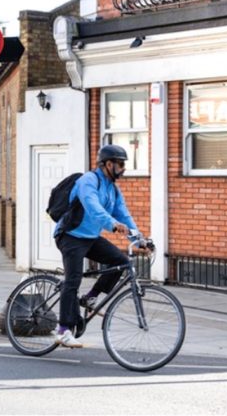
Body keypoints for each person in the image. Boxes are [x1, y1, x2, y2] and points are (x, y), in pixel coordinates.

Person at [52, 144, 145, 349]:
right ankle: (63, 330)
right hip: (70, 236)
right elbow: (92, 207)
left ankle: (90, 298)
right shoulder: (88, 181)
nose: (123, 168)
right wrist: (111, 224)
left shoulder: (112, 189)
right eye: (120, 164)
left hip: (90, 237)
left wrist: (139, 239)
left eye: (124, 164)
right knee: (73, 279)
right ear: (107, 164)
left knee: (121, 262)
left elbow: (123, 213)